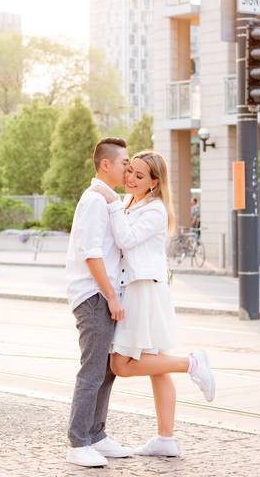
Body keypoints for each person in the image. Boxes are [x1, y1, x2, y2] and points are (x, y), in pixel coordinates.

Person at [92, 151, 215, 458]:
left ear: (155, 183)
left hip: (142, 290)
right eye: (130, 170)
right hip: (138, 287)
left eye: (139, 176)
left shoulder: (155, 209)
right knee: (157, 367)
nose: (130, 178)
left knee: (121, 364)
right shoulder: (128, 202)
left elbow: (126, 240)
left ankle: (192, 363)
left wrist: (108, 201)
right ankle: (166, 438)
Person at [65, 137, 132, 468]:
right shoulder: (94, 200)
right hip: (93, 296)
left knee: (106, 371)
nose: (128, 167)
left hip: (102, 294)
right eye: (124, 162)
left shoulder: (106, 200)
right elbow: (91, 255)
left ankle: (97, 435)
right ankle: (78, 442)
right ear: (106, 164)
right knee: (92, 369)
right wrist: (110, 296)